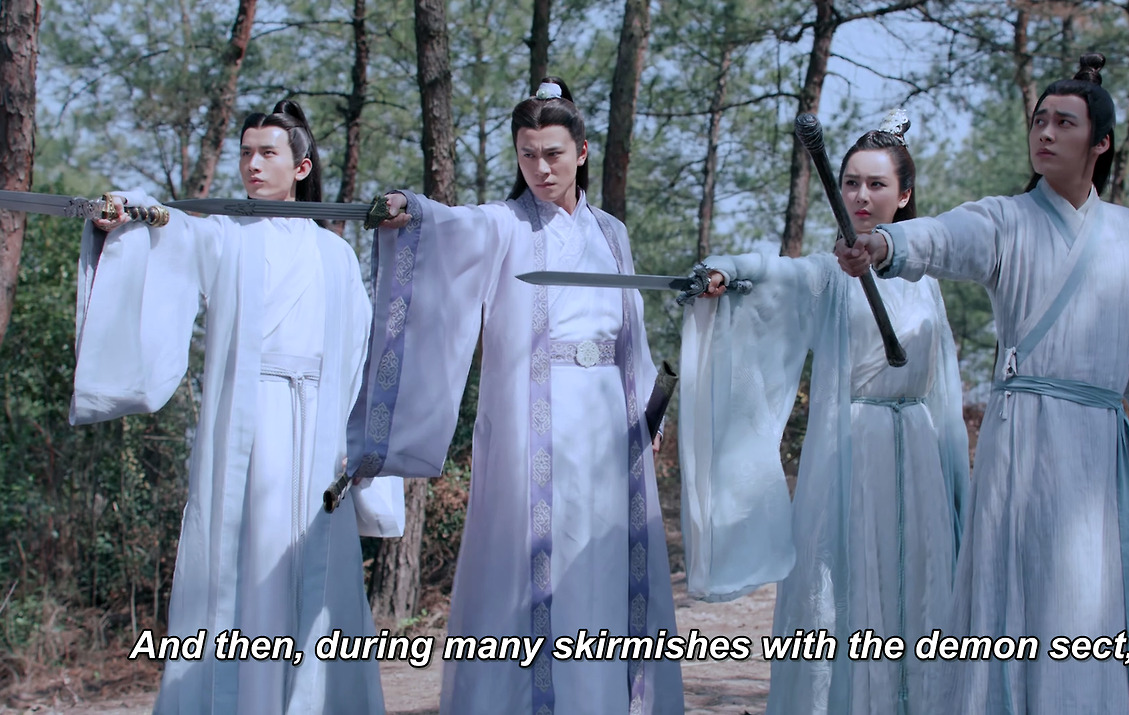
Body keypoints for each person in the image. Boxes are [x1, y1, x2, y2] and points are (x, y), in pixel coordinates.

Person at [838, 54, 1129, 713]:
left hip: (1098, 439)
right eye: (1039, 120)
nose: (1045, 132)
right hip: (1024, 434)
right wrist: (885, 245)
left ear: (1101, 142)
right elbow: (943, 237)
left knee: (1091, 591)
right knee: (1017, 586)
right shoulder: (1005, 219)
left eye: (1065, 122)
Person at [349, 77, 684, 714]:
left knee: (602, 560)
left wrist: (650, 410)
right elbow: (451, 226)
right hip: (534, 425)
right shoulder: (503, 225)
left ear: (581, 151)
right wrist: (410, 211)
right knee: (530, 566)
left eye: (553, 153)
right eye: (527, 154)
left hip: (607, 424)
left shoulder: (612, 233)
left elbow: (632, 328)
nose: (540, 168)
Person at [73, 100, 388, 713]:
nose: (252, 165)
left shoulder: (336, 255)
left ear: (301, 166)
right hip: (247, 427)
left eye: (268, 152)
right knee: (242, 563)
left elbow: (359, 359)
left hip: (318, 432)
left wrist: (359, 452)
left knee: (316, 567)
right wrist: (125, 215)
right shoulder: (222, 235)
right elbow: (168, 228)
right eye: (245, 153)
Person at [677, 112, 970, 714]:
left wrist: (952, 473)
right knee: (845, 585)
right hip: (851, 452)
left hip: (919, 453)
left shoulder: (926, 281)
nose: (860, 196)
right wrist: (726, 273)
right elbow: (775, 276)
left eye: (877, 184)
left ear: (904, 195)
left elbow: (942, 388)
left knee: (920, 584)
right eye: (851, 183)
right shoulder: (830, 275)